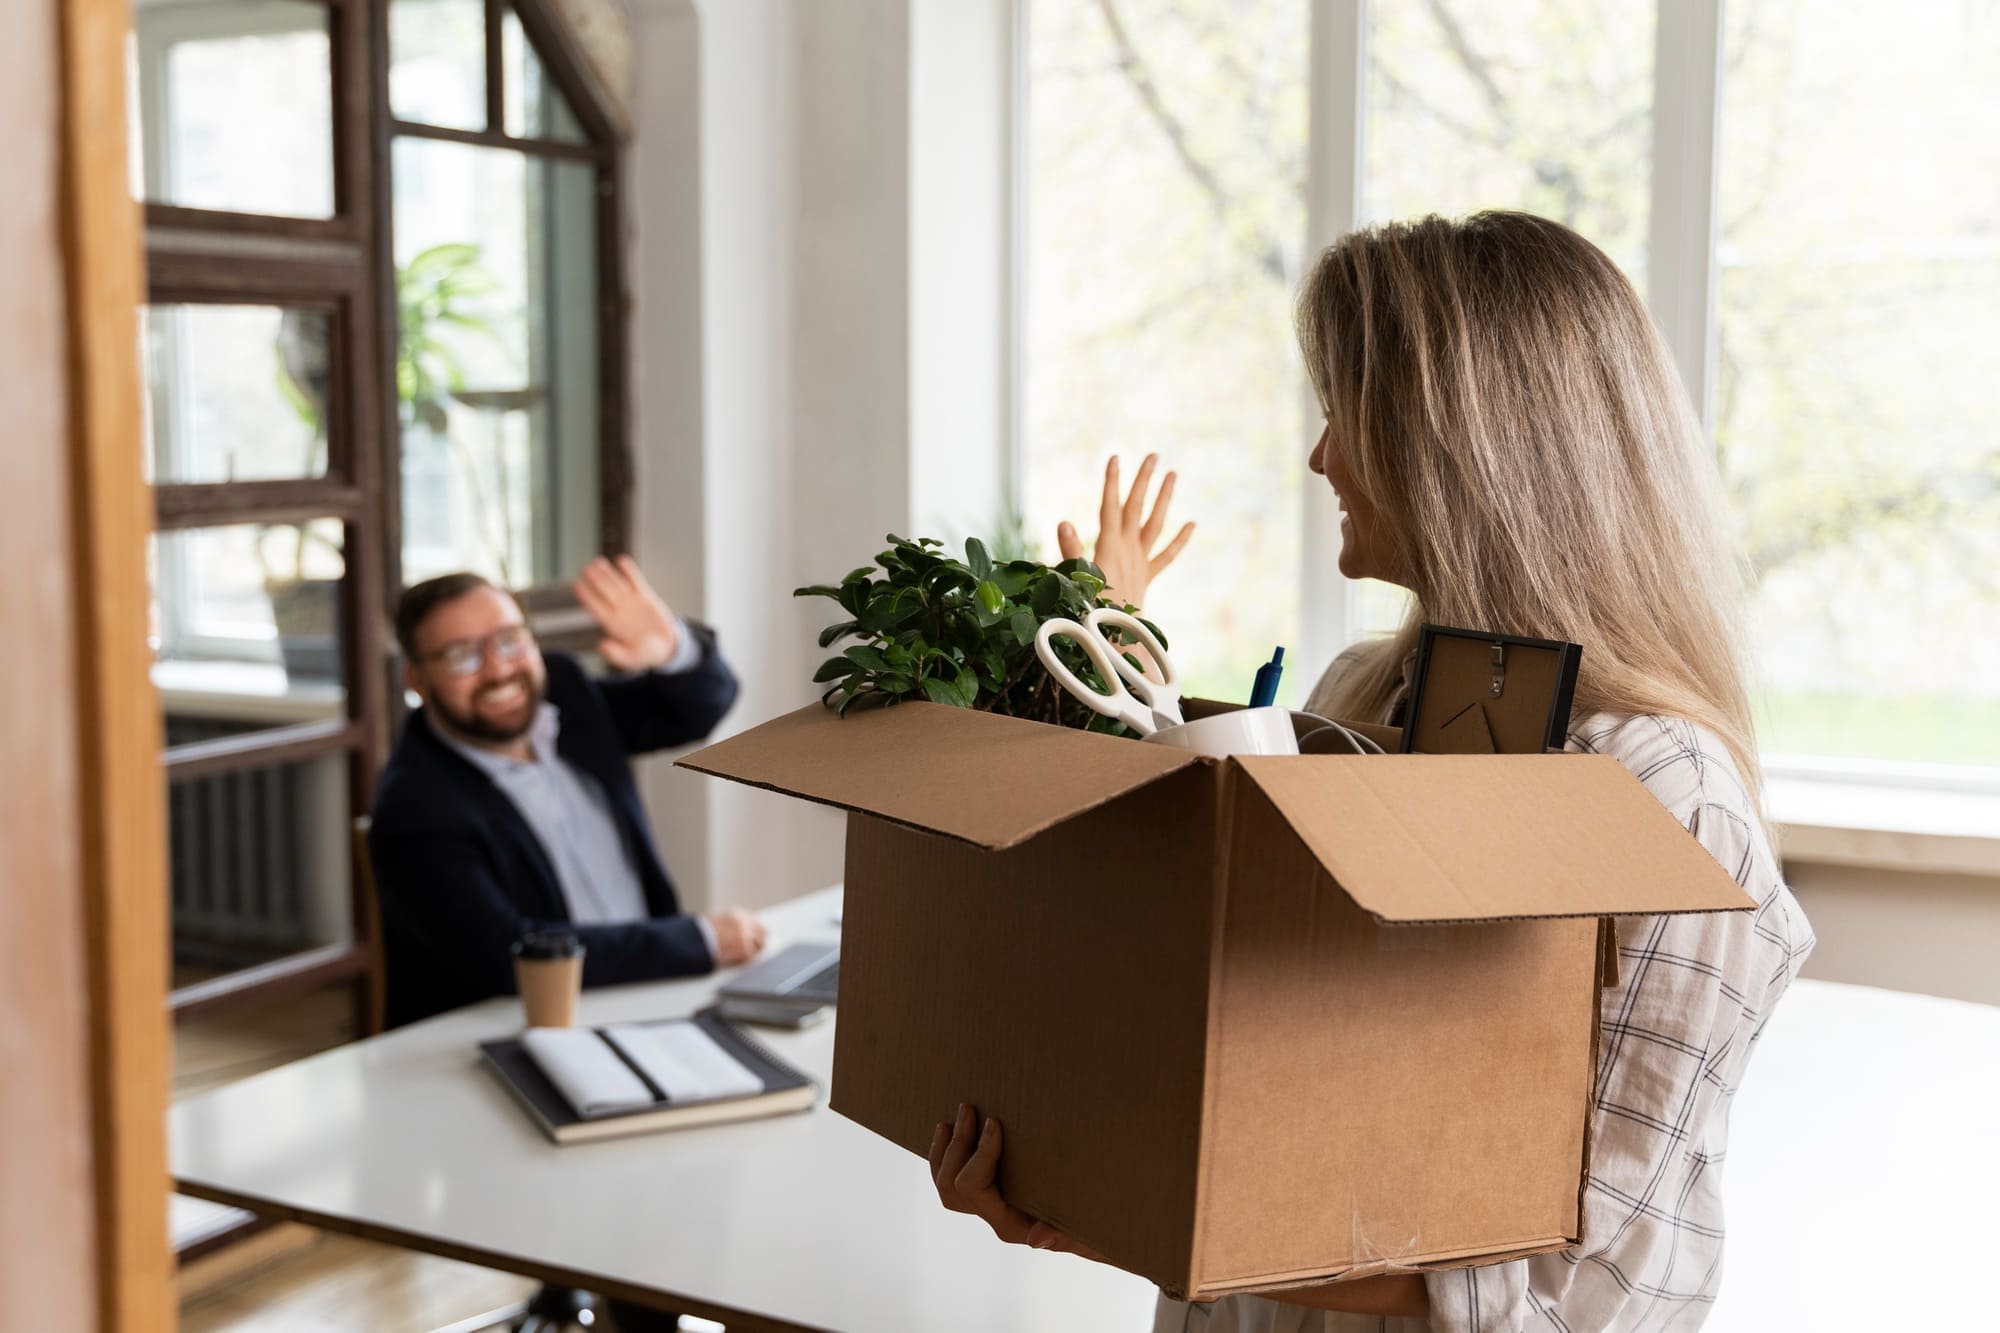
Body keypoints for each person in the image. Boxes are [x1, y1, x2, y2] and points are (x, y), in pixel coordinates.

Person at [928, 211, 1815, 1331]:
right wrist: (1077, 1167)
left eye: (1347, 412)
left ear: (1460, 442)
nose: (1318, 455)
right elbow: (1249, 1071)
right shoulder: (1354, 700)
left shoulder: (1667, 803)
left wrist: (1135, 1216)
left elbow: (1562, 1289)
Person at [369, 556, 765, 1030]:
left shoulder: (565, 692)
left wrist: (670, 649)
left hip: (652, 999)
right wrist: (697, 941)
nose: (498, 670)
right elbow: (507, 953)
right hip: (515, 1034)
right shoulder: (413, 807)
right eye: (462, 656)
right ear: (417, 680)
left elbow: (697, 710)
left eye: (509, 639)